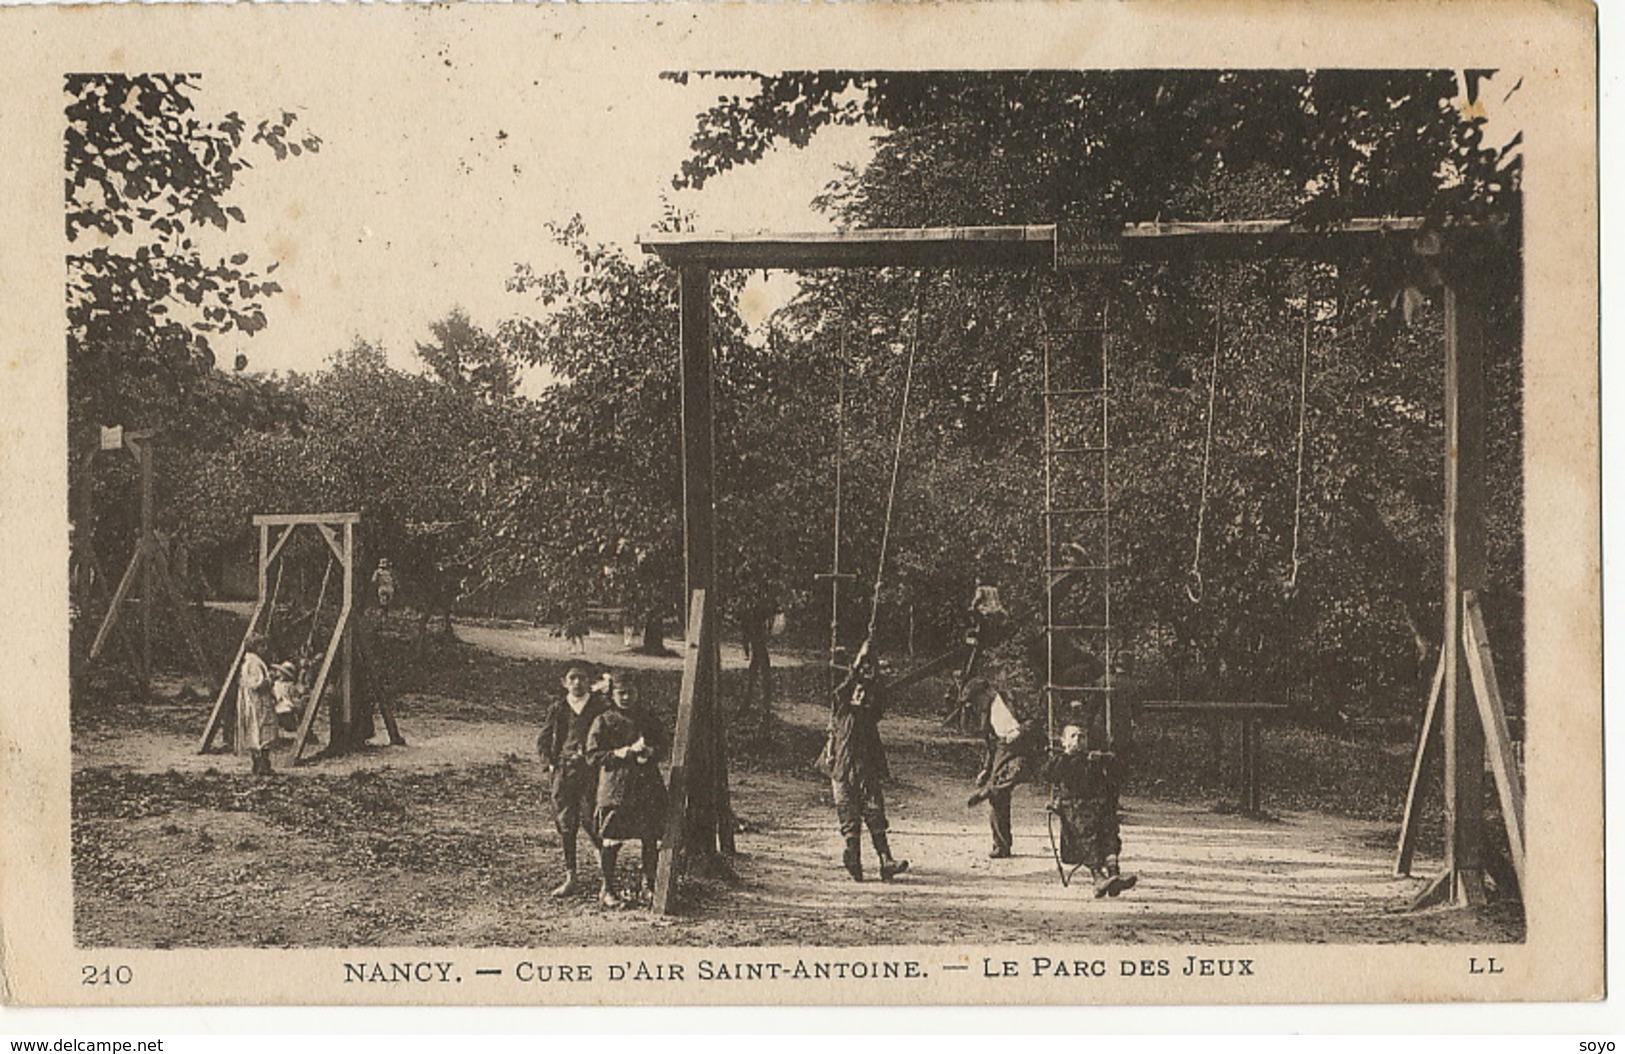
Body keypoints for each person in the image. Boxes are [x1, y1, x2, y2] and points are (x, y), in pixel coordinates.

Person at [826, 639, 908, 882]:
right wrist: (859, 662)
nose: (862, 694)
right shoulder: (842, 704)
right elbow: (843, 691)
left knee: (874, 808)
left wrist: (869, 654)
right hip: (842, 761)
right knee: (847, 809)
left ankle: (885, 860)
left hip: (866, 762)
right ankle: (853, 857)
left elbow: (879, 699)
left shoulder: (871, 708)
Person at [585, 673, 669, 908]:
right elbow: (592, 756)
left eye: (630, 692)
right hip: (616, 788)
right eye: (621, 693)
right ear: (611, 695)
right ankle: (608, 888)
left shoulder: (648, 719)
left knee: (650, 837)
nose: (626, 697)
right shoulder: (603, 721)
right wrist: (620, 753)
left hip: (646, 787)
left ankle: (649, 885)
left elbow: (663, 745)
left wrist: (651, 752)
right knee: (611, 839)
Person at [537, 663, 608, 897]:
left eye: (582, 678)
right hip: (564, 772)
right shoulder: (558, 708)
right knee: (566, 824)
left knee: (593, 821)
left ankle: (607, 880)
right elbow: (544, 739)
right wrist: (550, 763)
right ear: (564, 682)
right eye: (572, 678)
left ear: (589, 681)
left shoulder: (599, 707)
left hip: (591, 773)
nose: (577, 683)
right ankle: (571, 876)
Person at [1042, 722, 1137, 898]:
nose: (1078, 740)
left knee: (1110, 833)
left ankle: (1113, 874)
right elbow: (1048, 774)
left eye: (1082, 736)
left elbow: (1115, 779)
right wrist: (1067, 756)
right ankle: (1098, 878)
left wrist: (1106, 760)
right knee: (1088, 834)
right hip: (1074, 809)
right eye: (1073, 736)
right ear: (1063, 741)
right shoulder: (1060, 760)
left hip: (1097, 806)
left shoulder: (1094, 760)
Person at [963, 678, 1040, 858]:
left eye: (978, 700)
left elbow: (1037, 719)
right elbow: (991, 744)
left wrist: (1020, 731)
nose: (977, 705)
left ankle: (988, 790)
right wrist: (986, 769)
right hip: (1003, 749)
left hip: (1027, 747)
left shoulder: (1012, 698)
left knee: (1016, 771)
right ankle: (1001, 845)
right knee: (998, 796)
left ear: (987, 692)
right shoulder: (985, 713)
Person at [236, 634, 280, 776]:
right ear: (255, 648)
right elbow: (257, 685)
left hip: (252, 702)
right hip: (258, 702)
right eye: (262, 646)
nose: (265, 649)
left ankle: (258, 764)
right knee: (263, 730)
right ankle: (262, 765)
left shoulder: (248, 661)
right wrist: (271, 678)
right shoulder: (254, 663)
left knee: (254, 731)